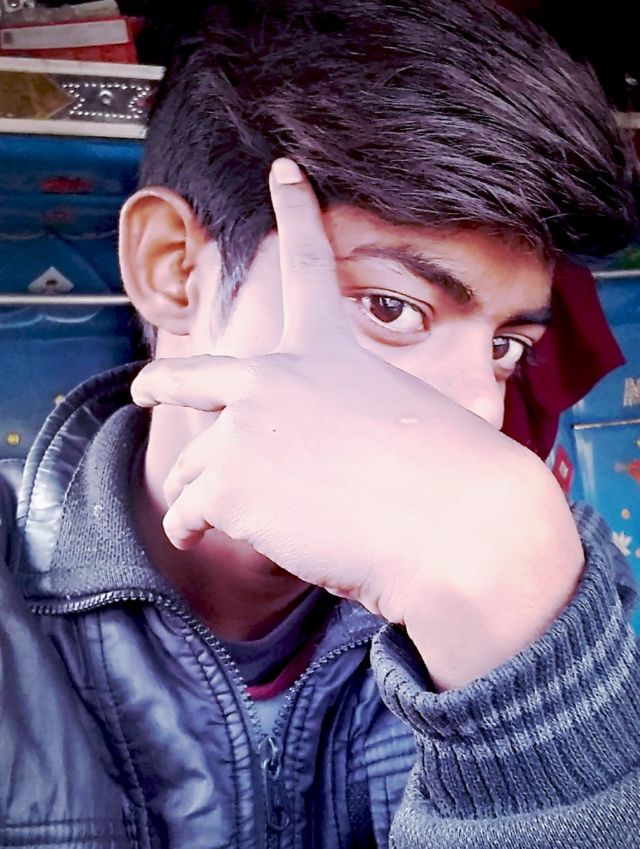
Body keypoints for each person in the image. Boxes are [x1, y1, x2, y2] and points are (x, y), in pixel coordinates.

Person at [1, 1, 639, 846]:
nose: (478, 411)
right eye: (391, 307)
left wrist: (519, 679)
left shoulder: (547, 578)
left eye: (505, 348)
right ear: (172, 267)